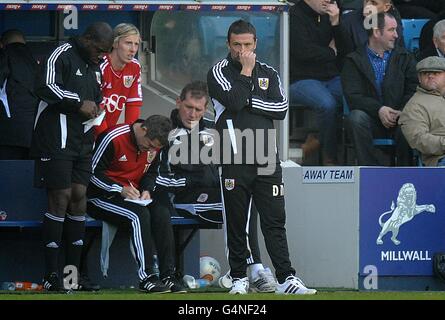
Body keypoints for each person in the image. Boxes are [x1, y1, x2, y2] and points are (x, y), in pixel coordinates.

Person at [207, 19, 317, 295]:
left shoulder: (269, 72)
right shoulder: (218, 72)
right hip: (233, 156)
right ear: (228, 44)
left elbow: (280, 108)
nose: (242, 50)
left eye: (247, 44)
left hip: (267, 157)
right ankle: (239, 278)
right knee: (237, 221)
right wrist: (245, 72)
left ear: (256, 43)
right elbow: (232, 103)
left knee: (274, 220)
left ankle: (286, 279)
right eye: (236, 45)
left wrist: (250, 100)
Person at [155, 81, 276, 292]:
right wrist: (189, 181)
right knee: (237, 204)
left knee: (244, 198)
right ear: (178, 102)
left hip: (214, 193)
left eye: (198, 109)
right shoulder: (166, 133)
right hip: (183, 199)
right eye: (188, 107)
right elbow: (157, 177)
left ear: (205, 109)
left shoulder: (214, 129)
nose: (192, 114)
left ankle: (246, 269)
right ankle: (254, 270)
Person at [30, 22, 114, 291]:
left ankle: (73, 277)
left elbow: (96, 96)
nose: (102, 56)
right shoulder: (62, 53)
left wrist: (95, 107)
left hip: (82, 141)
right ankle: (51, 275)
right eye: (100, 50)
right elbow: (44, 86)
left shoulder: (95, 64)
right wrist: (78, 103)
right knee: (61, 197)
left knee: (79, 198)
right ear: (88, 39)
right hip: (55, 139)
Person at [87, 115, 187, 293]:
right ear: (144, 129)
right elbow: (92, 174)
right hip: (100, 197)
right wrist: (119, 189)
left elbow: (151, 173)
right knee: (138, 215)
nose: (150, 149)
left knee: (162, 213)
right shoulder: (113, 137)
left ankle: (168, 276)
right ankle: (147, 276)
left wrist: (147, 189)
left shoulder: (156, 145)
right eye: (149, 145)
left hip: (134, 196)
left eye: (155, 148)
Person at [342, 12, 418, 165]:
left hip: (399, 116)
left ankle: (406, 175)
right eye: (391, 30)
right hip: (371, 118)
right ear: (376, 32)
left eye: (396, 30)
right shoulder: (353, 60)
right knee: (356, 118)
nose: (396, 35)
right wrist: (379, 109)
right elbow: (353, 96)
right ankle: (369, 171)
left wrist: (401, 110)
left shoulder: (405, 57)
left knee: (410, 120)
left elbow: (413, 89)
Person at [289, 0, 350, 165]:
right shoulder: (294, 15)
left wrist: (336, 24)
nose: (328, 1)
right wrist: (331, 52)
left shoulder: (328, 16)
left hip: (330, 78)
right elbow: (303, 52)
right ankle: (330, 158)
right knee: (327, 104)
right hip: (300, 79)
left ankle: (316, 140)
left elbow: (345, 51)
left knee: (354, 94)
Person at [95, 23, 143, 136]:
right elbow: (96, 109)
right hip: (86, 131)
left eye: (136, 44)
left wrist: (129, 137)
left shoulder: (135, 67)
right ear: (115, 43)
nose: (133, 49)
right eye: (128, 43)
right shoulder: (100, 67)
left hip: (107, 130)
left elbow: (133, 104)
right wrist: (107, 139)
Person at [0, 29, 40, 159]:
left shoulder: (4, 56)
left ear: (2, 44)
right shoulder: (37, 62)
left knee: (7, 175)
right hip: (36, 132)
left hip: (7, 130)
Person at [399, 56, 445, 166]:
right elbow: (418, 139)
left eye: (436, 73)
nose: (430, 76)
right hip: (439, 158)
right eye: (425, 73)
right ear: (419, 78)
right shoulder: (415, 105)